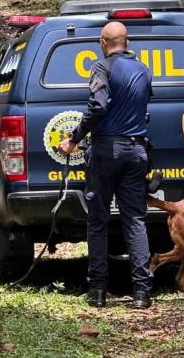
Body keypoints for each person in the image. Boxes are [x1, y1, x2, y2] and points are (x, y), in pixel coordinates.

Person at [59, 21, 153, 309]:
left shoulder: (102, 67)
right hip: (136, 150)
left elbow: (98, 106)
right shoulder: (143, 69)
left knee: (98, 220)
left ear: (103, 42)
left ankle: (98, 290)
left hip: (106, 151)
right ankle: (141, 292)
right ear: (127, 42)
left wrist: (74, 138)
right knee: (134, 220)